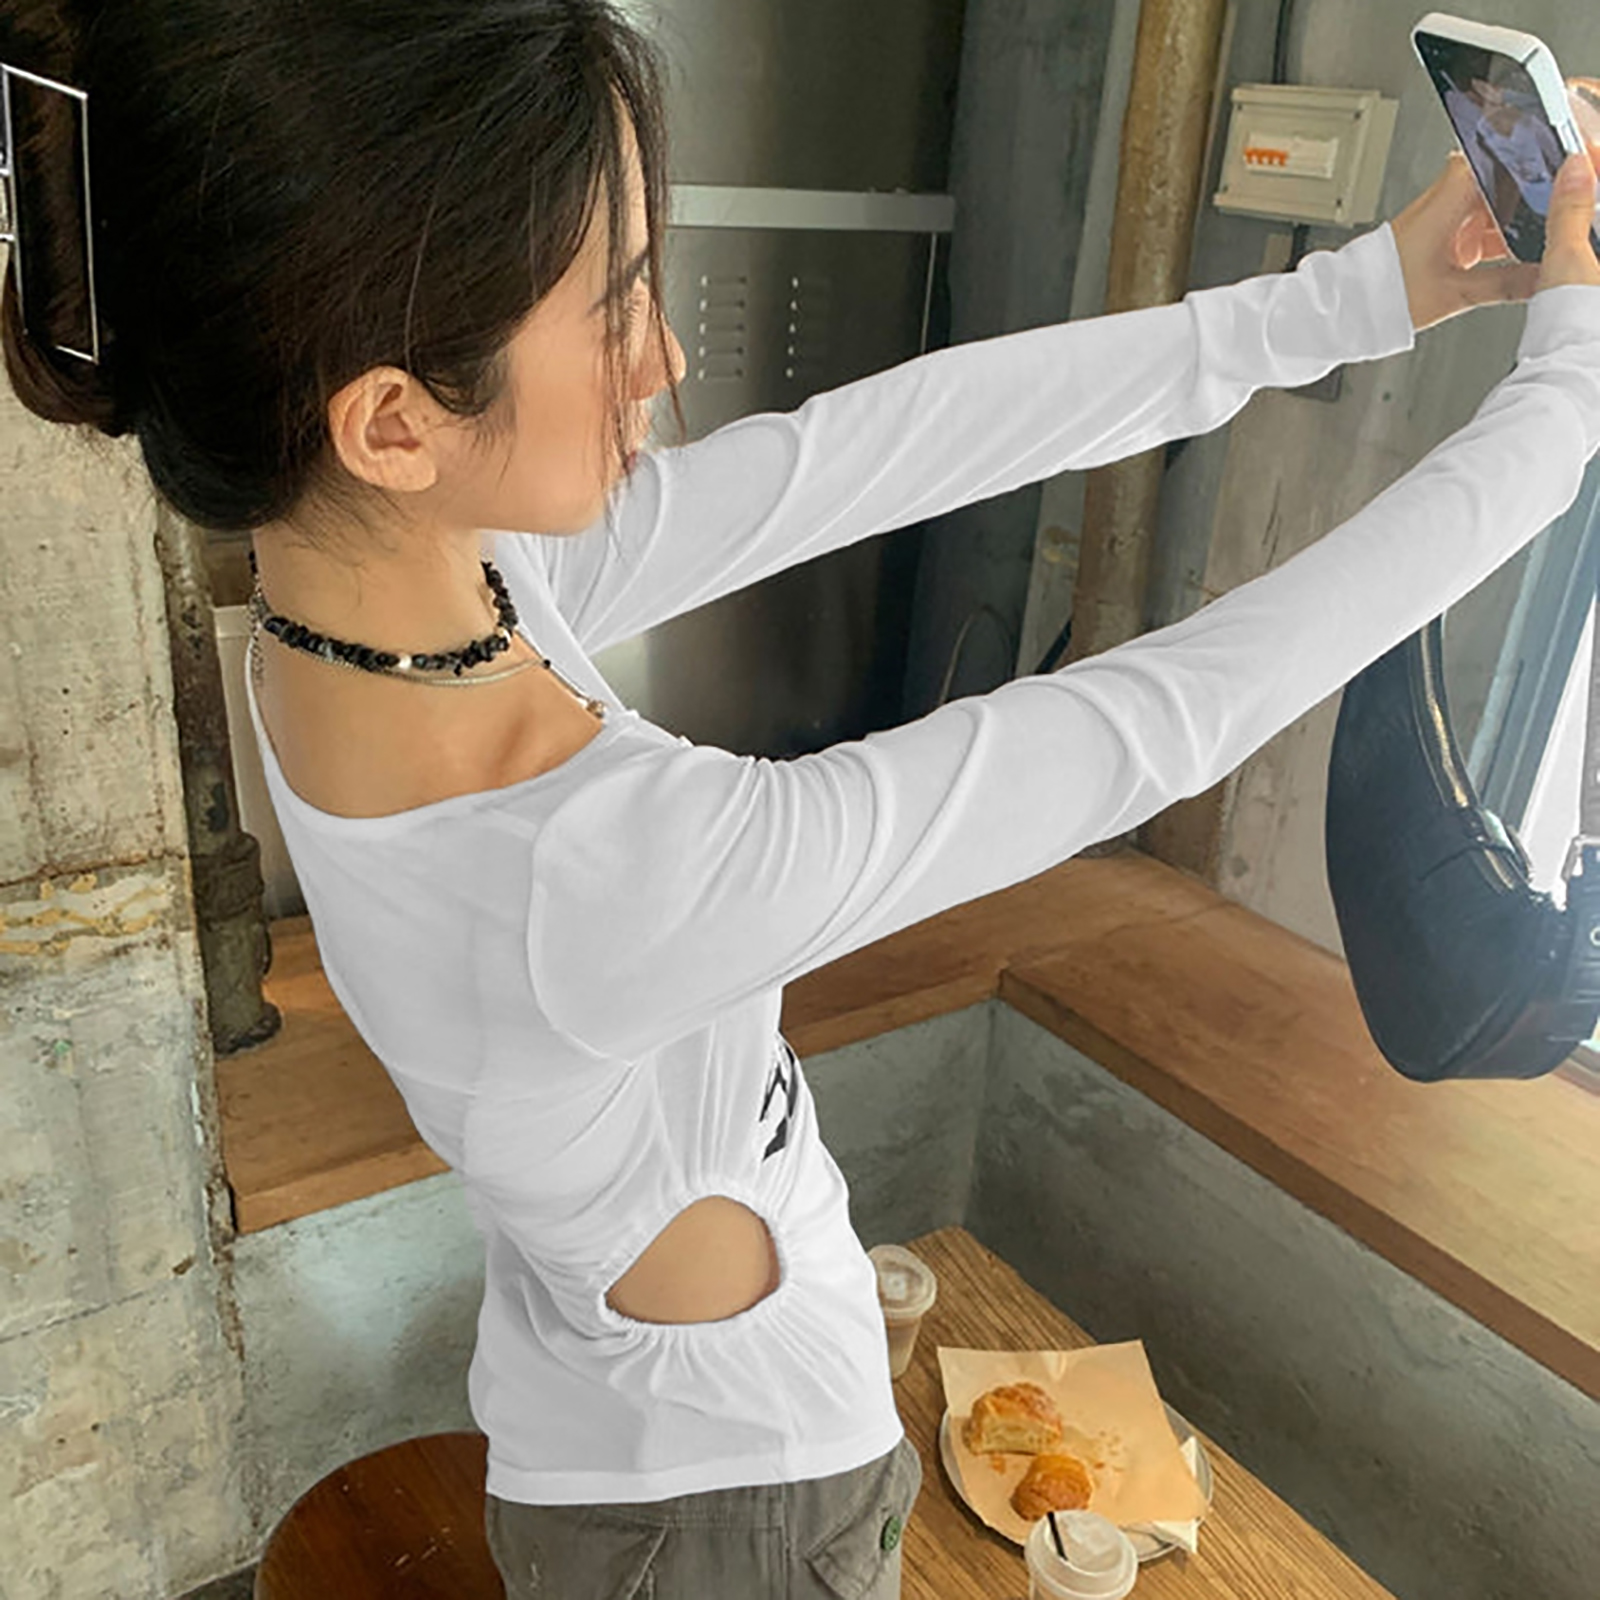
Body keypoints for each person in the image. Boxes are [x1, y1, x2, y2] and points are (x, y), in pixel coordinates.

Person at [3, 4, 1598, 1597]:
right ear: (394, 421)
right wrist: (1567, 397)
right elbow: (1156, 724)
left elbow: (884, 446)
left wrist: (1370, 292)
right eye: (615, 305)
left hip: (631, 1442)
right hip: (735, 1524)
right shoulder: (592, 869)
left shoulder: (384, 618)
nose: (666, 357)